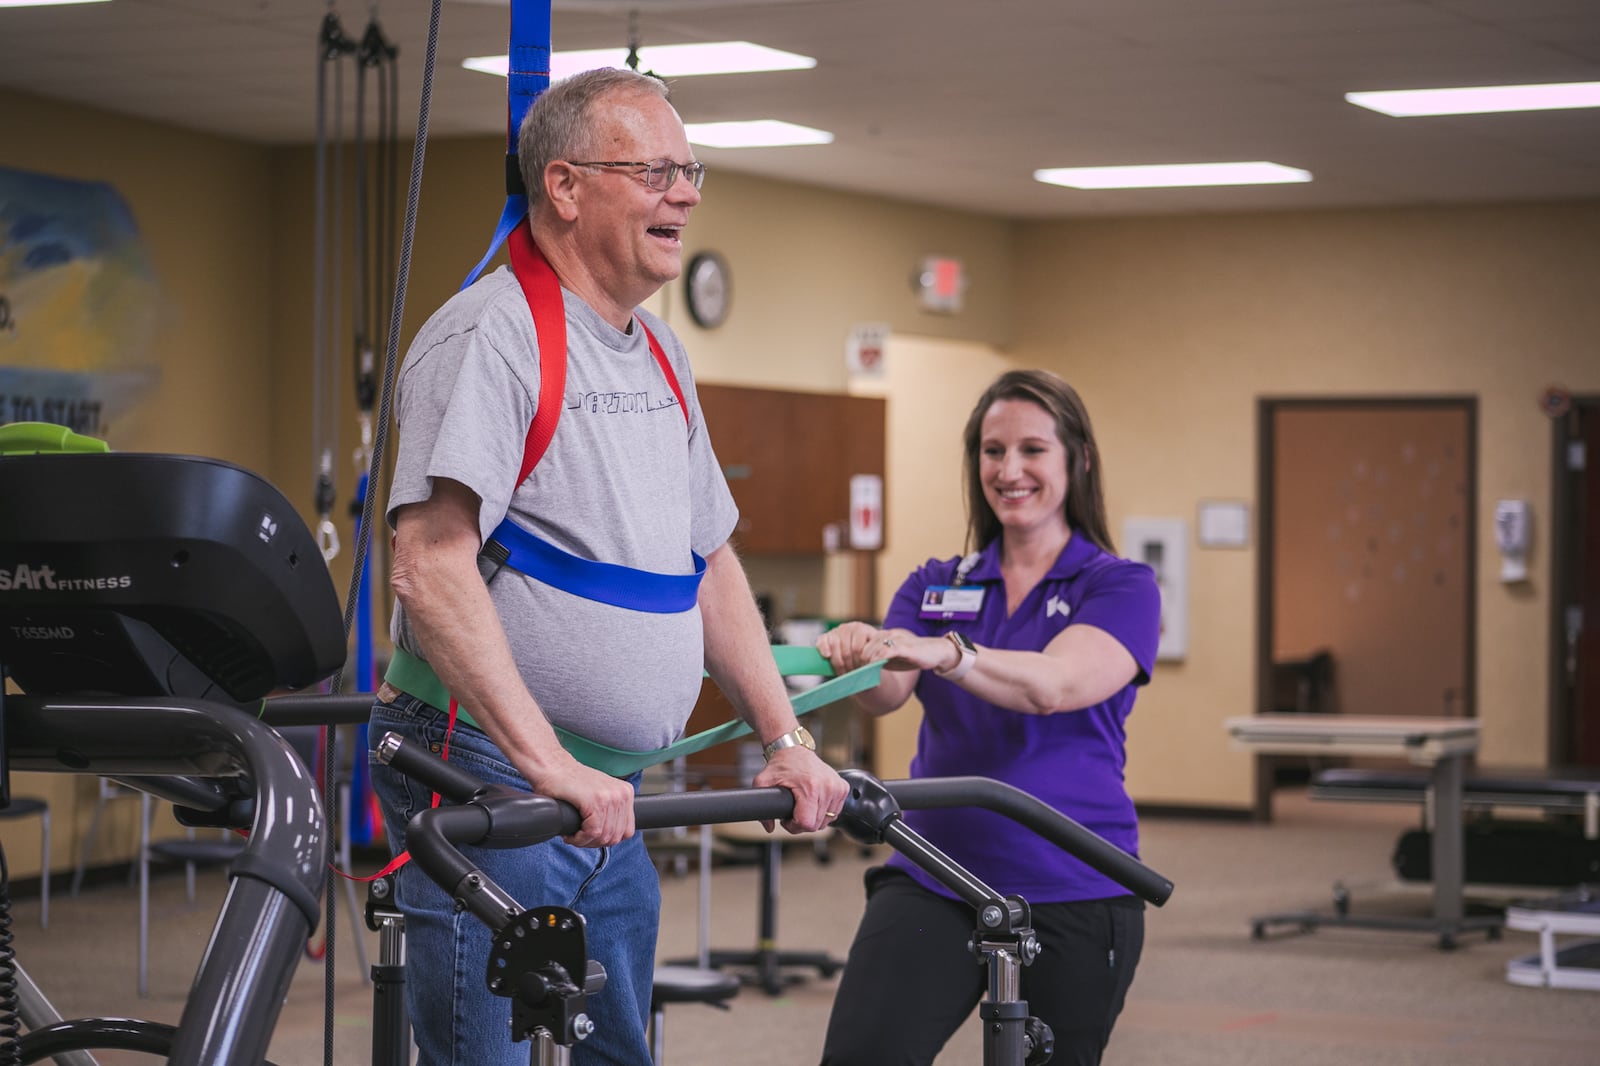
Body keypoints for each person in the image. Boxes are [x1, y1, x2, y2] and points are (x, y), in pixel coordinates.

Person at [368, 67, 848, 1066]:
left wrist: (787, 735)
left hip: (613, 793)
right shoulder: (489, 338)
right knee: (486, 1055)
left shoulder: (662, 352)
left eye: (690, 169)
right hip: (494, 774)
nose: (686, 192)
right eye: (656, 170)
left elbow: (707, 559)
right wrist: (549, 765)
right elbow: (429, 563)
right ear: (566, 186)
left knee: (612, 1051)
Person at [815, 369, 1160, 1066]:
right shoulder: (938, 584)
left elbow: (1055, 686)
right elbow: (887, 694)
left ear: (1078, 459)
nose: (1010, 471)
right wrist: (859, 658)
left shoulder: (1119, 586)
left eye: (1033, 450)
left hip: (1075, 884)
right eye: (992, 451)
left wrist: (948, 653)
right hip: (935, 872)